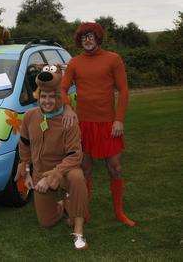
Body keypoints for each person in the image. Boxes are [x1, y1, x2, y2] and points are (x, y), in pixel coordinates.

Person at [60, 22, 136, 227]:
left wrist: (119, 119)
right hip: (84, 125)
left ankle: (119, 212)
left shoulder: (113, 59)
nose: (88, 39)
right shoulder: (75, 63)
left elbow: (124, 91)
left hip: (109, 124)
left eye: (91, 35)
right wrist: (67, 108)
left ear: (98, 38)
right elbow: (62, 89)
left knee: (115, 168)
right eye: (84, 36)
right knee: (85, 170)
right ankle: (83, 212)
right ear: (79, 40)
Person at [15, 65, 89, 250]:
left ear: (58, 97)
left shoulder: (69, 119)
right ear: (38, 97)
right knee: (46, 222)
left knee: (77, 178)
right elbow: (24, 145)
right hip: (41, 174)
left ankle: (78, 232)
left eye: (51, 97)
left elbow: (75, 155)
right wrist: (27, 171)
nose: (47, 101)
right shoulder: (30, 116)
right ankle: (64, 204)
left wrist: (54, 175)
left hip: (65, 170)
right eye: (43, 96)